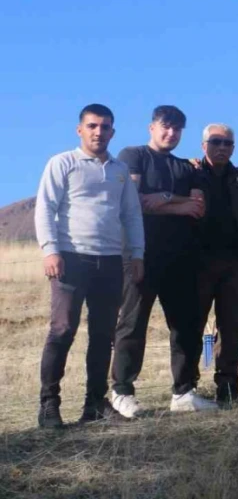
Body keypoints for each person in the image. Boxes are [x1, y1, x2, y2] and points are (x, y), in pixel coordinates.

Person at [34, 104, 145, 428]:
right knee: (62, 329)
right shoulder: (62, 163)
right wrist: (51, 250)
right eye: (93, 126)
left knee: (102, 334)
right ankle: (48, 405)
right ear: (79, 130)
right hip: (70, 257)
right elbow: (45, 208)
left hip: (110, 261)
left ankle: (94, 404)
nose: (99, 132)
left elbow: (131, 215)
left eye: (106, 127)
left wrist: (136, 254)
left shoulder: (120, 171)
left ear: (113, 131)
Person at [111, 105, 218, 416]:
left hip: (181, 259)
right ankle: (122, 390)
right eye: (165, 126)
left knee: (185, 326)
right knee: (132, 323)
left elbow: (197, 207)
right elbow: (133, 201)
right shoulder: (133, 155)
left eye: (177, 129)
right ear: (151, 127)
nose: (171, 133)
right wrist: (176, 201)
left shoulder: (187, 168)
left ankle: (184, 392)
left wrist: (162, 199)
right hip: (140, 255)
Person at [192, 124, 238, 402]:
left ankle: (228, 387)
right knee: (193, 324)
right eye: (216, 142)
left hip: (233, 263)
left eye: (228, 143)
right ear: (204, 145)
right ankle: (186, 387)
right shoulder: (189, 173)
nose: (222, 147)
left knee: (231, 327)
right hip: (198, 262)